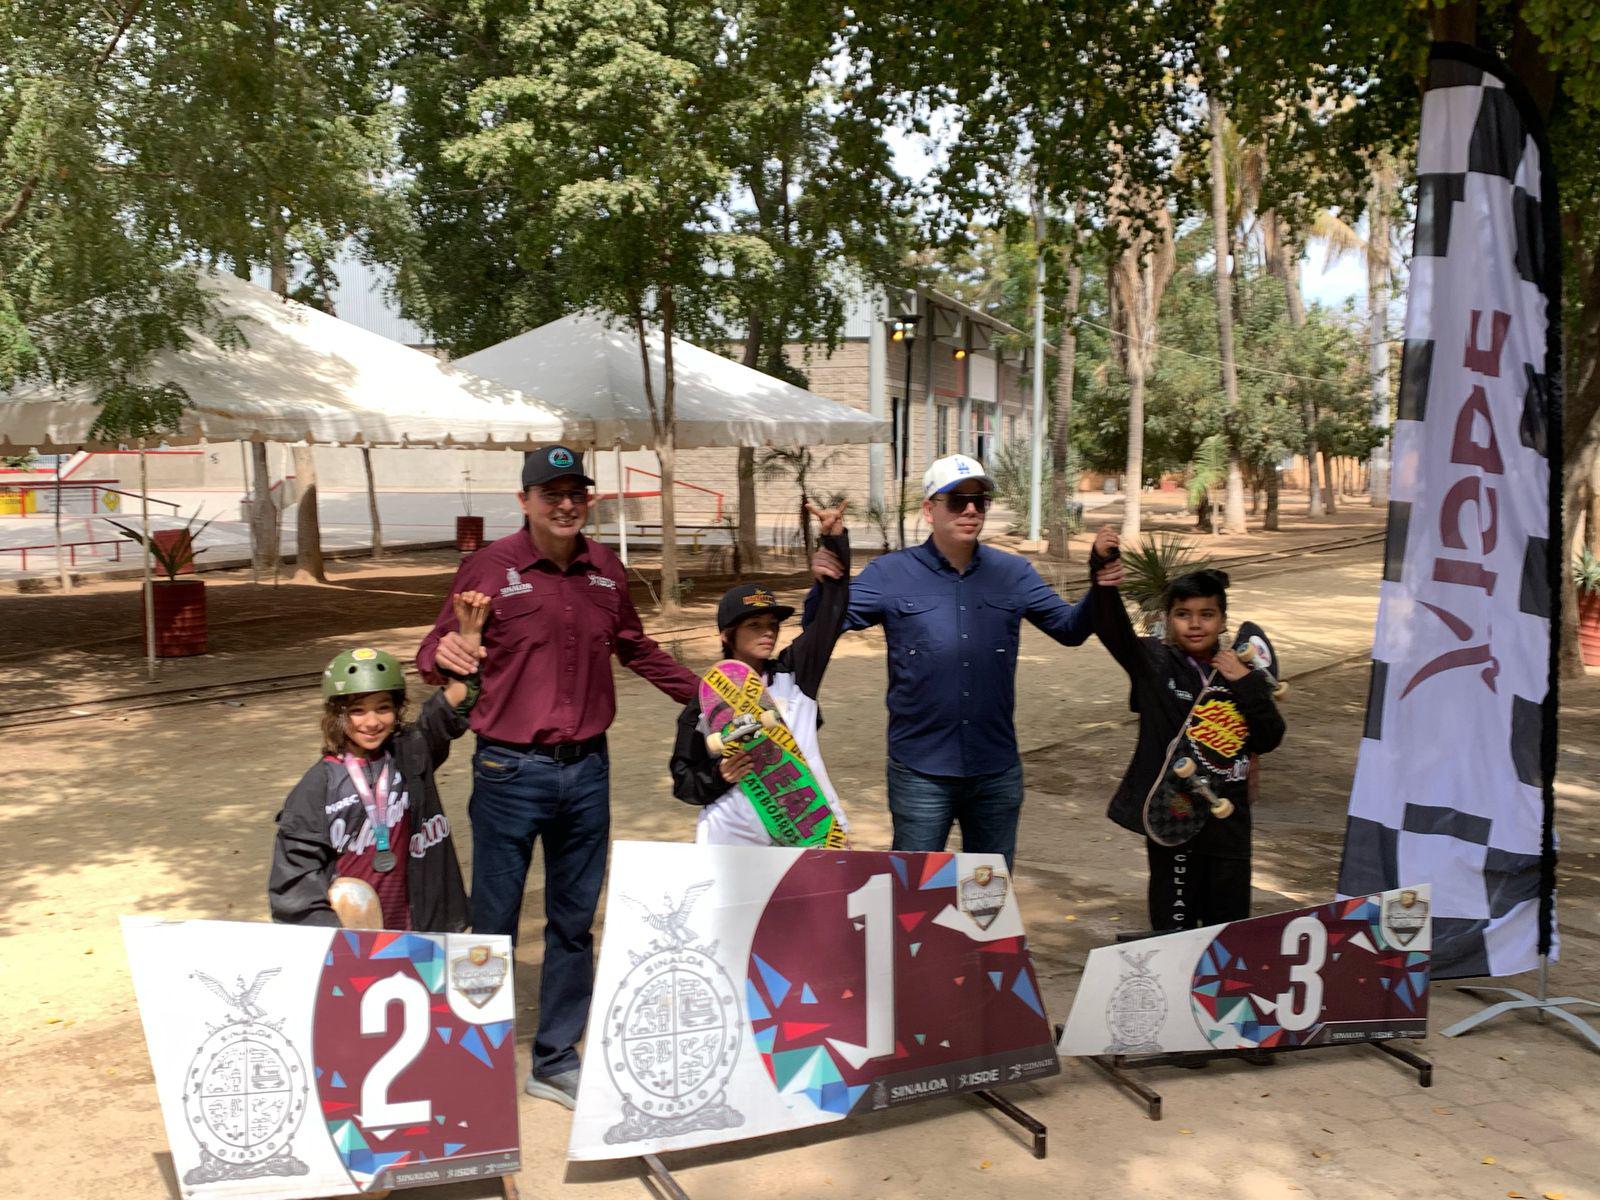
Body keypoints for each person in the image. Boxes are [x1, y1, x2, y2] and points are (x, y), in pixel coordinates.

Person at [416, 444, 699, 1110]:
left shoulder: (606, 569)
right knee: (493, 925)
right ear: (524, 501)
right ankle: (470, 1063)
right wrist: (448, 652)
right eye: (552, 493)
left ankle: (554, 1060)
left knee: (574, 924)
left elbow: (635, 646)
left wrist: (710, 695)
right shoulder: (489, 568)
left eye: (577, 492)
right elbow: (434, 652)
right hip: (508, 769)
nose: (566, 504)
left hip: (588, 772)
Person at [806, 453, 1118, 868]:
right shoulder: (890, 574)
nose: (970, 509)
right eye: (956, 500)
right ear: (929, 509)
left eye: (979, 500)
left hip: (995, 770)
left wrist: (1100, 580)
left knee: (987, 903)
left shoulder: (1014, 573)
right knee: (913, 900)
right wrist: (829, 568)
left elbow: (1070, 629)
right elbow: (820, 627)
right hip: (920, 772)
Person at [1089, 532, 1287, 932]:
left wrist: (1246, 684)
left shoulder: (1243, 671)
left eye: (1207, 614)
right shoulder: (1154, 664)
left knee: (1226, 934)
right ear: (1168, 618)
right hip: (1172, 816)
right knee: (1172, 931)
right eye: (1184, 614)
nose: (1195, 624)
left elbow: (1269, 737)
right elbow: (1112, 629)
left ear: (1223, 619)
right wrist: (1100, 571)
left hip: (1229, 824)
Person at [268, 591, 489, 932]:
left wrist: (470, 637)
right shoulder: (318, 785)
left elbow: (455, 699)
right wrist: (335, 941)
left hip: (422, 926)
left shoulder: (413, 750)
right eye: (357, 710)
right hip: (354, 939)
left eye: (383, 708)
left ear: (397, 710)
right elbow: (294, 884)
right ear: (336, 715)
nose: (371, 722)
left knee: (421, 987)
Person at [670, 501, 852, 844]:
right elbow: (683, 780)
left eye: (772, 625)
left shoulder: (796, 676)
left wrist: (834, 542)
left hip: (807, 828)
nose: (768, 633)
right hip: (733, 836)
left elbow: (831, 617)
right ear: (726, 634)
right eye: (754, 625)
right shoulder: (708, 699)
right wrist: (719, 775)